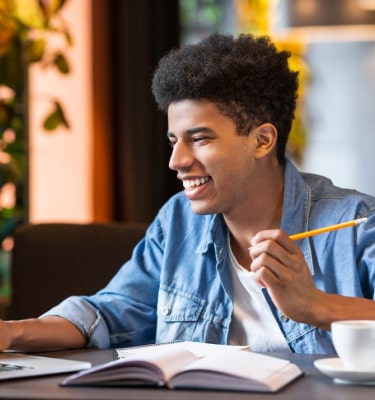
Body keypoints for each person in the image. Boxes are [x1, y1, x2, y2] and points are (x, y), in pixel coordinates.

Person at [1, 33, 375, 354]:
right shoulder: (178, 221)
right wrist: (13, 332)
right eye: (173, 141)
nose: (177, 161)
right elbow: (113, 312)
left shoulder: (356, 223)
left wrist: (314, 305)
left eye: (200, 139)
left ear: (262, 140)